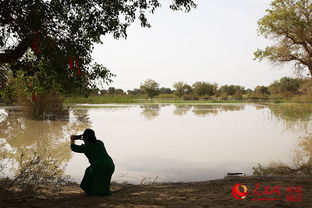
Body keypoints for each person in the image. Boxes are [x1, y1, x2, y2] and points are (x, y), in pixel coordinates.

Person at [70, 128, 115, 196]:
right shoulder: (100, 143)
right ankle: (104, 191)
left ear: (87, 138)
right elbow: (89, 144)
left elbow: (73, 148)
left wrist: (73, 140)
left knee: (90, 172)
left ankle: (92, 191)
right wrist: (81, 137)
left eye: (84, 138)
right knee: (103, 180)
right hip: (110, 166)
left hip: (99, 167)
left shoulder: (86, 147)